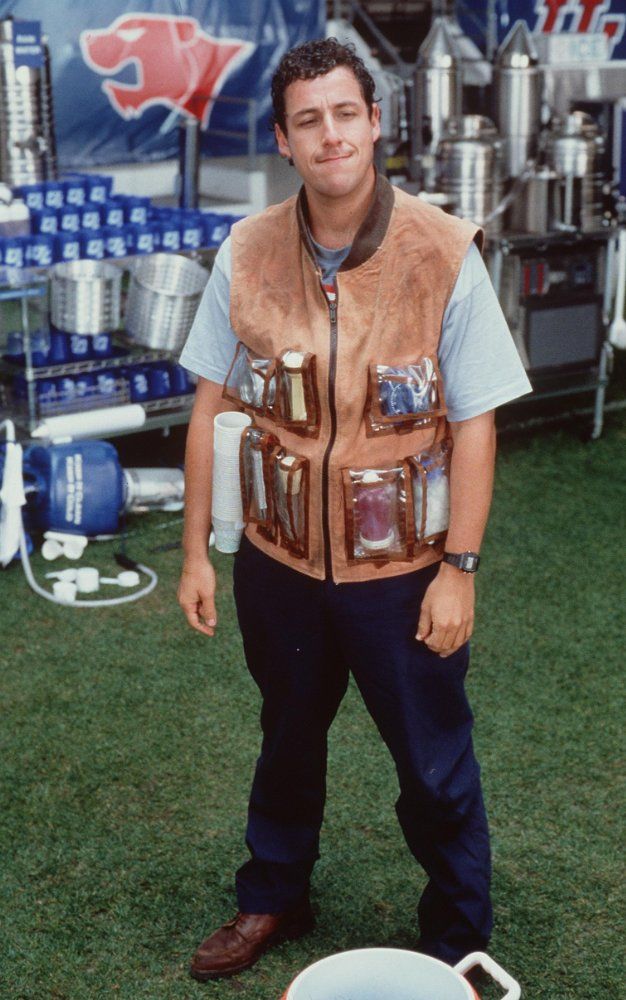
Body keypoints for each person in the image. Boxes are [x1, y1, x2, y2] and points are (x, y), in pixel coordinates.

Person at [178, 37, 531, 983]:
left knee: (432, 762)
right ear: (285, 142)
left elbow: (478, 422)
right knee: (286, 739)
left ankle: (458, 940)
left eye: (345, 112)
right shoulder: (246, 249)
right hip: (280, 559)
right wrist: (197, 555)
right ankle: (274, 896)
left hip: (402, 569)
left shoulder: (443, 250)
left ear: (376, 122)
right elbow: (209, 398)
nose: (329, 134)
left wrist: (459, 569)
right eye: (307, 120)